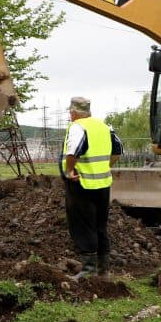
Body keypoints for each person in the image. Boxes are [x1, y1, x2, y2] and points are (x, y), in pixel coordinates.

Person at [61, 96, 122, 278]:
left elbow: (73, 151)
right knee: (100, 225)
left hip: (82, 184)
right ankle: (104, 271)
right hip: (103, 184)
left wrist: (70, 170)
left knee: (83, 226)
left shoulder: (78, 127)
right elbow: (118, 149)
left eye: (70, 113)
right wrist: (106, 166)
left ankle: (88, 271)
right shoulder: (104, 126)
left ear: (74, 112)